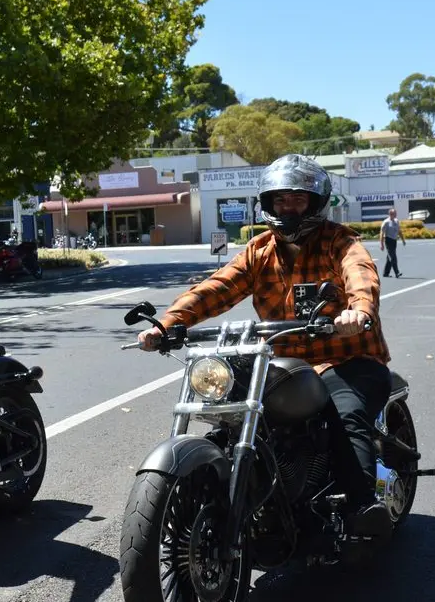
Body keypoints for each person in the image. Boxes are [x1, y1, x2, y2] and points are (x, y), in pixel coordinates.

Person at [136, 153, 395, 540]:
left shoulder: (339, 241)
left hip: (346, 357)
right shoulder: (259, 251)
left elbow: (360, 273)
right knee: (232, 411)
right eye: (280, 200)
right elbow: (218, 288)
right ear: (269, 204)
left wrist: (358, 310)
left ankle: (361, 507)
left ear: (315, 203)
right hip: (281, 364)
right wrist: (168, 323)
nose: (288, 208)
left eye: (298, 199)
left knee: (346, 416)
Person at [379, 207, 403, 278]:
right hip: (388, 241)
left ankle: (385, 273)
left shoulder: (396, 221)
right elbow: (381, 234)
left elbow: (399, 230)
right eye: (394, 213)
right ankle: (397, 272)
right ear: (390, 214)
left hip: (394, 241)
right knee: (393, 257)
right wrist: (382, 244)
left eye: (396, 213)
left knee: (389, 257)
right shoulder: (386, 222)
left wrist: (403, 239)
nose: (396, 214)